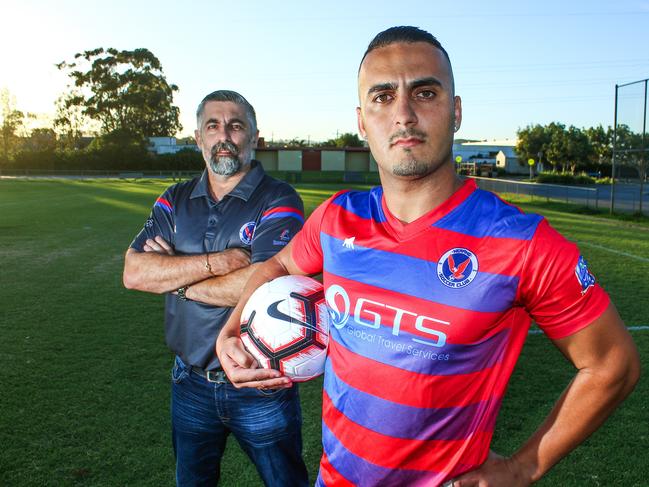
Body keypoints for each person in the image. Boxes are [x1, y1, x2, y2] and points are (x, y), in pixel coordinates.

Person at [216, 27, 641, 487]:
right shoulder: (336, 218)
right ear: (362, 121)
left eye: (424, 92)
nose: (403, 114)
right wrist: (233, 326)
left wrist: (524, 467)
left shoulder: (523, 244)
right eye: (382, 96)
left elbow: (612, 364)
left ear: (455, 112)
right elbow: (277, 266)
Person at [123, 90, 309, 487]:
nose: (224, 134)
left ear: (254, 137)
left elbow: (265, 284)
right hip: (188, 382)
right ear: (198, 138)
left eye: (236, 125)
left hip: (260, 383)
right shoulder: (174, 198)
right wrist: (218, 263)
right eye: (213, 125)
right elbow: (135, 272)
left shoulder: (279, 198)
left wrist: (176, 279)